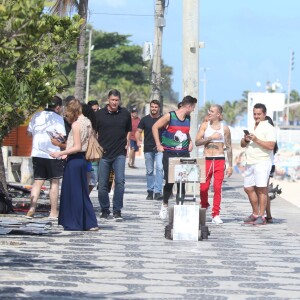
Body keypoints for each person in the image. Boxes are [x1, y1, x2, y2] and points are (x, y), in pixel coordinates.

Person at [50, 99, 98, 231]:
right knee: (82, 192)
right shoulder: (87, 122)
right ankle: (89, 222)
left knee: (73, 192)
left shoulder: (77, 124)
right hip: (83, 160)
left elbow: (77, 147)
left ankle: (74, 221)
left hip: (75, 160)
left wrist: (59, 153)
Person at [152, 95, 197, 220]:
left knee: (182, 181)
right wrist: (158, 144)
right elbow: (155, 127)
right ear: (188, 106)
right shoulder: (169, 116)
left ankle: (180, 207)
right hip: (170, 153)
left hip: (183, 153)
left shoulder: (188, 117)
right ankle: (165, 205)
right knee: (170, 180)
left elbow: (185, 132)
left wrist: (190, 141)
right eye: (193, 107)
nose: (193, 110)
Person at [26, 96, 66, 219]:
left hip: (37, 153)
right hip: (53, 154)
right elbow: (62, 137)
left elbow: (28, 133)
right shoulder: (58, 118)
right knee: (54, 182)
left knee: (38, 181)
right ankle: (53, 212)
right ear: (58, 107)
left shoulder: (36, 116)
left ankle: (32, 208)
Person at [95, 89, 132, 221]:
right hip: (104, 154)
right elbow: (94, 132)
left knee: (120, 182)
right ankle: (105, 209)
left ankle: (117, 210)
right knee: (102, 184)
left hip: (119, 154)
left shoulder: (125, 114)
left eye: (117, 100)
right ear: (108, 100)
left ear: (119, 101)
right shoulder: (99, 115)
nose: (114, 102)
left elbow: (129, 130)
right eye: (112, 100)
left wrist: (127, 142)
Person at [195, 105, 233, 224]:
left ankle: (216, 214)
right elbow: (197, 142)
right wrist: (211, 137)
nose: (209, 113)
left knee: (217, 188)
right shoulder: (205, 126)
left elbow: (229, 147)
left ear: (218, 114)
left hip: (219, 159)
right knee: (203, 188)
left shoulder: (225, 128)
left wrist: (230, 165)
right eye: (209, 111)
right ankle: (204, 204)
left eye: (212, 111)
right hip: (206, 159)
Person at [241, 103, 276, 225]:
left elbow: (271, 146)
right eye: (254, 114)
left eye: (259, 114)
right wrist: (245, 139)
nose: (256, 116)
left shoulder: (269, 127)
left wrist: (256, 140)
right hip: (249, 161)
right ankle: (255, 213)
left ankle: (262, 215)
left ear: (264, 114)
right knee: (248, 188)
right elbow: (242, 144)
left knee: (262, 189)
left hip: (262, 161)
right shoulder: (251, 125)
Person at [135, 100, 164, 200]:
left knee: (160, 168)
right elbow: (138, 132)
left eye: (156, 107)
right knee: (149, 171)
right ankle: (150, 191)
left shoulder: (163, 119)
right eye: (152, 107)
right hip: (148, 148)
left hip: (160, 148)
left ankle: (158, 191)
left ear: (159, 108)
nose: (154, 109)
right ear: (150, 107)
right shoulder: (144, 120)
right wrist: (138, 140)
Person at [264, 115, 279, 223]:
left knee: (262, 191)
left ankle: (267, 215)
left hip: (268, 165)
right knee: (261, 191)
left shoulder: (270, 136)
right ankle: (266, 215)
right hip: (266, 164)